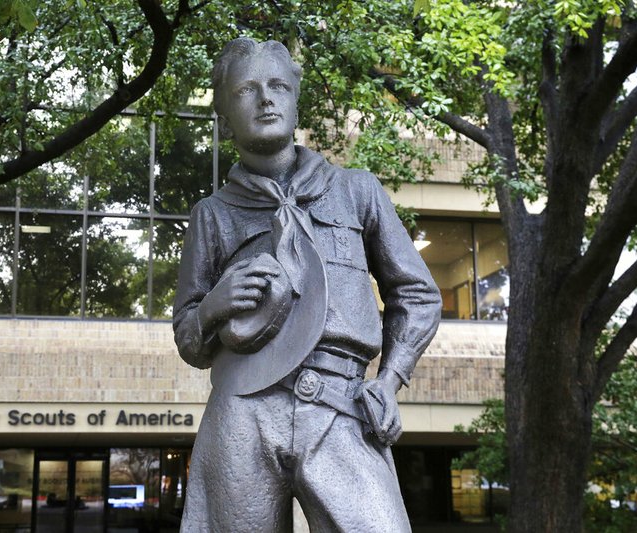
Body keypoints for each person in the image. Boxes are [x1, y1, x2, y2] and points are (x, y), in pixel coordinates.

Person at [173, 37, 441, 533]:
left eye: (277, 86)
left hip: (341, 403)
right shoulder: (211, 216)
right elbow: (188, 338)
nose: (265, 99)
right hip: (241, 409)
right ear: (224, 113)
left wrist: (390, 380)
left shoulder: (356, 190)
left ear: (296, 100)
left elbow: (418, 294)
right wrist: (212, 308)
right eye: (246, 90)